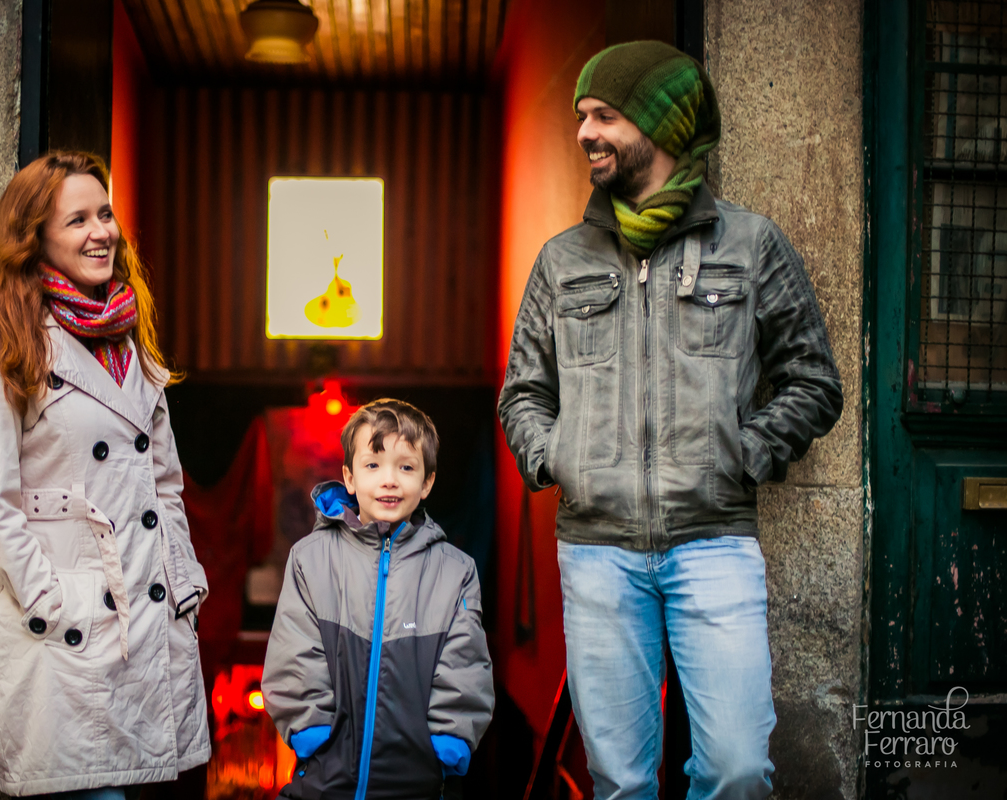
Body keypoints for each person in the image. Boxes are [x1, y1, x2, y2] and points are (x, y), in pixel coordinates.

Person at [498, 41, 843, 799]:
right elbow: (522, 392)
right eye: (581, 116)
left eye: (605, 116)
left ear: (660, 123)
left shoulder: (750, 245)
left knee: (737, 770)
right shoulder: (562, 260)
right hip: (597, 552)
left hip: (714, 544)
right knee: (620, 783)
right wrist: (559, 457)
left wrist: (744, 454)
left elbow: (814, 379)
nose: (585, 133)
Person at [0, 151, 211, 798]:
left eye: (106, 214)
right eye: (78, 220)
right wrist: (53, 601)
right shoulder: (1, 345)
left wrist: (182, 580)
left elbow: (166, 485)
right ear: (34, 237)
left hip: (151, 628)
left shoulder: (131, 340)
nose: (102, 232)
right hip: (68, 643)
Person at [261, 399, 494, 800]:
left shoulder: (456, 571)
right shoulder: (311, 559)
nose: (389, 480)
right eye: (373, 465)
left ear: (427, 483)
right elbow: (293, 650)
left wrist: (448, 742)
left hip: (420, 784)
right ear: (349, 478)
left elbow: (465, 662)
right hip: (324, 780)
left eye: (406, 468)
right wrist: (311, 731)